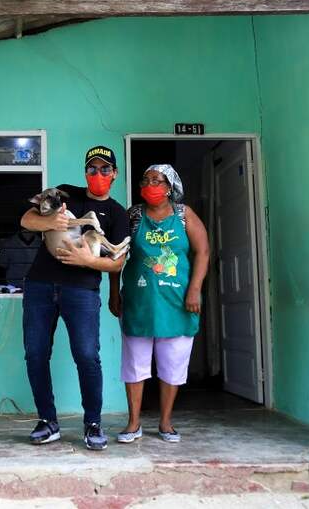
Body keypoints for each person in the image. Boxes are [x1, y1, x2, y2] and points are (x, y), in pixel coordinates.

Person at [19, 145, 129, 450]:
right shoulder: (64, 194)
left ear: (114, 174)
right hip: (40, 284)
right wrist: (50, 223)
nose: (98, 174)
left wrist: (89, 261)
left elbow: (118, 263)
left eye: (104, 169)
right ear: (85, 172)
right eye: (92, 169)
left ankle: (93, 424)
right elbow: (27, 219)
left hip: (81, 290)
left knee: (86, 355)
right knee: (35, 353)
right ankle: (48, 421)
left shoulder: (117, 213)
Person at [109, 164, 209, 443]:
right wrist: (114, 292)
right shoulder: (134, 215)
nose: (149, 185)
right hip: (139, 300)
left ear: (169, 187)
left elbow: (203, 251)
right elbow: (116, 254)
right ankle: (133, 423)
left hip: (178, 301)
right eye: (146, 180)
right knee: (135, 363)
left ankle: (166, 422)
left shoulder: (184, 215)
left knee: (173, 362)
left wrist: (195, 290)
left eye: (156, 180)